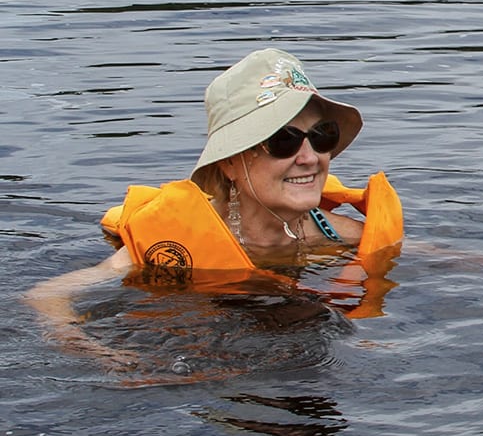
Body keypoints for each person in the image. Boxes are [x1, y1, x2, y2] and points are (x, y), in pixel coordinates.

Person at [26, 48, 402, 328]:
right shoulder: (176, 242)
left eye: (322, 136)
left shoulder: (348, 237)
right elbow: (46, 296)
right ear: (230, 163)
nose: (309, 158)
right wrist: (88, 347)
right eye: (283, 140)